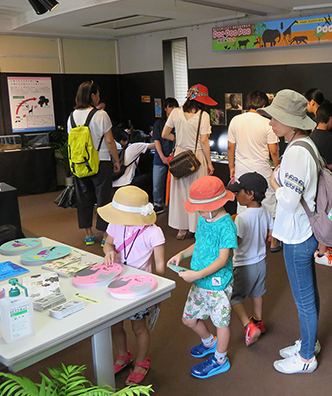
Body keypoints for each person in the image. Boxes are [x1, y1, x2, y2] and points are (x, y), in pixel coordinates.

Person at [258, 89, 321, 374]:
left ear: (292, 123)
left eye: (275, 118)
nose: (271, 122)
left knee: (303, 299)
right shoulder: (305, 145)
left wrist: (274, 182)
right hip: (305, 232)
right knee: (309, 294)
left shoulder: (296, 152)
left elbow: (290, 200)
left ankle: (306, 357)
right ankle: (310, 343)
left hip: (297, 235)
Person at [167, 176, 237, 379]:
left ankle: (220, 359)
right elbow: (198, 244)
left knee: (221, 323)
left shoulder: (226, 226)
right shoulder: (204, 218)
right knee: (188, 319)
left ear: (215, 205)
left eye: (200, 208)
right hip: (200, 281)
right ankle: (209, 342)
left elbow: (223, 260)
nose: (197, 211)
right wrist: (182, 254)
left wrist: (197, 274)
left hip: (218, 285)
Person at [99, 185, 165, 385]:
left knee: (139, 327)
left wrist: (158, 292)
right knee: (114, 325)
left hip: (140, 288)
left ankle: (141, 361)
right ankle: (122, 355)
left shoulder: (154, 232)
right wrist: (108, 250)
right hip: (114, 281)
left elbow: (160, 264)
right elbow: (108, 243)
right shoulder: (116, 223)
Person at [68, 81, 120, 246]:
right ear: (92, 96)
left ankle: (88, 235)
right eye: (98, 95)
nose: (99, 98)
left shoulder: (71, 117)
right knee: (103, 199)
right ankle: (105, 235)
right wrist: (116, 159)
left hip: (80, 163)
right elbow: (110, 141)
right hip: (101, 161)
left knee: (83, 198)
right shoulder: (101, 115)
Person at [162, 84, 217, 240]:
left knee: (180, 193)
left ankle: (181, 228)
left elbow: (165, 134)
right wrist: (210, 163)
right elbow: (204, 141)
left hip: (180, 156)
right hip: (197, 156)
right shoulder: (203, 116)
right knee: (198, 193)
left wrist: (180, 140)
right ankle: (196, 227)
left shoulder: (175, 113)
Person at [226, 172, 273, 346]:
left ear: (250, 194)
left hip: (244, 264)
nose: (236, 195)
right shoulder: (265, 211)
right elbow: (270, 233)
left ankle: (248, 326)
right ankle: (259, 322)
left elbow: (235, 242)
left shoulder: (241, 218)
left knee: (235, 298)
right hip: (261, 262)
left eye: (239, 192)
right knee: (257, 293)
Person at [227, 91, 280, 223]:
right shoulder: (268, 123)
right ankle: (269, 235)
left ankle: (244, 232)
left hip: (242, 169)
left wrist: (231, 167)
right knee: (268, 201)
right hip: (262, 170)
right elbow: (273, 151)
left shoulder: (235, 120)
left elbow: (230, 147)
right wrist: (277, 166)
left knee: (243, 202)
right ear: (263, 105)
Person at [310, 101, 332, 267]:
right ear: (330, 119)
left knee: (317, 216)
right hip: (327, 184)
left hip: (313, 183)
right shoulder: (330, 137)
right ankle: (322, 252)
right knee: (327, 217)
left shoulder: (311, 135)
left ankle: (319, 248)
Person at [151, 97, 179, 213]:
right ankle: (158, 203)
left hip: (176, 158)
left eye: (175, 106)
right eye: (170, 106)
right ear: (165, 109)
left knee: (176, 184)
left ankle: (173, 205)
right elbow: (156, 140)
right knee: (157, 183)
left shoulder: (179, 123)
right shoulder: (159, 123)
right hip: (160, 157)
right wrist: (162, 157)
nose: (173, 109)